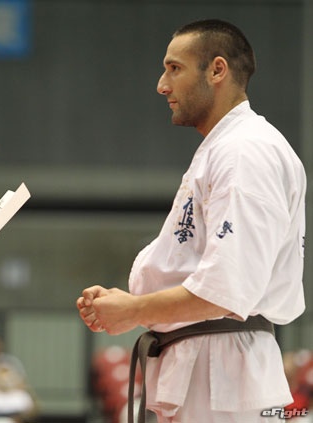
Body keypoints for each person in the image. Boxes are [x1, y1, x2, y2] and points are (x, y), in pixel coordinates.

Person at [77, 19, 306, 423]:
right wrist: (132, 303)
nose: (162, 86)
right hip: (210, 365)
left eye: (174, 69)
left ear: (217, 70)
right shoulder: (227, 146)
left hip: (222, 373)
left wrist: (134, 310)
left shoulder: (245, 150)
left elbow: (226, 287)